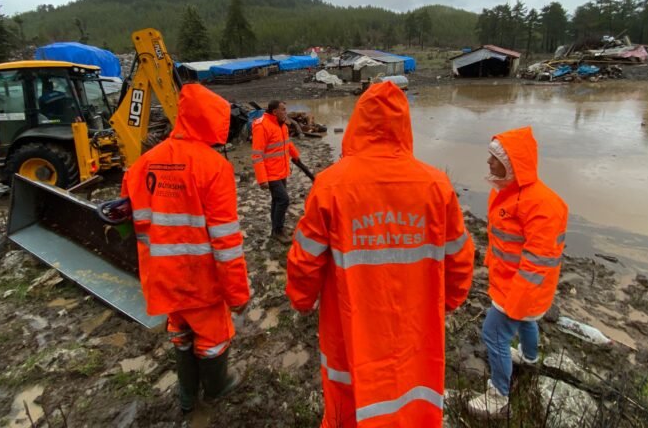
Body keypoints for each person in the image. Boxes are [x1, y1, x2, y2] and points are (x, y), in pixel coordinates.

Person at [285, 81, 475, 427]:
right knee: (413, 399)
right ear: (404, 127)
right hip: (416, 330)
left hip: (348, 328)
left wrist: (301, 299)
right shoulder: (436, 186)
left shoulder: (330, 185)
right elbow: (460, 256)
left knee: (347, 402)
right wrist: (450, 300)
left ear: (357, 124)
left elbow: (305, 258)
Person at [121, 83, 250, 415]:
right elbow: (225, 241)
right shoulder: (214, 167)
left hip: (161, 275)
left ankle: (187, 396)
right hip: (200, 278)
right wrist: (236, 293)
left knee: (180, 329)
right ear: (212, 121)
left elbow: (131, 223)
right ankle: (217, 387)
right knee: (212, 337)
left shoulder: (142, 165)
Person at [467, 126, 568, 417]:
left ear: (512, 164)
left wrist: (517, 300)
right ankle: (529, 357)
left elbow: (539, 262)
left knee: (494, 333)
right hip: (510, 281)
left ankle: (499, 396)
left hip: (521, 288)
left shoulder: (540, 205)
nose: (488, 162)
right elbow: (502, 238)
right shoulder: (506, 193)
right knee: (528, 322)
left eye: (494, 158)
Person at [251, 99, 301, 244]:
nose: (286, 112)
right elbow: (256, 154)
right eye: (283, 109)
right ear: (274, 112)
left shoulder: (282, 125)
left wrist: (295, 155)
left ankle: (276, 229)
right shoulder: (262, 126)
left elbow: (287, 143)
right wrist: (262, 179)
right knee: (284, 200)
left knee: (277, 200)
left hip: (281, 169)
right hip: (270, 173)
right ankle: (278, 230)